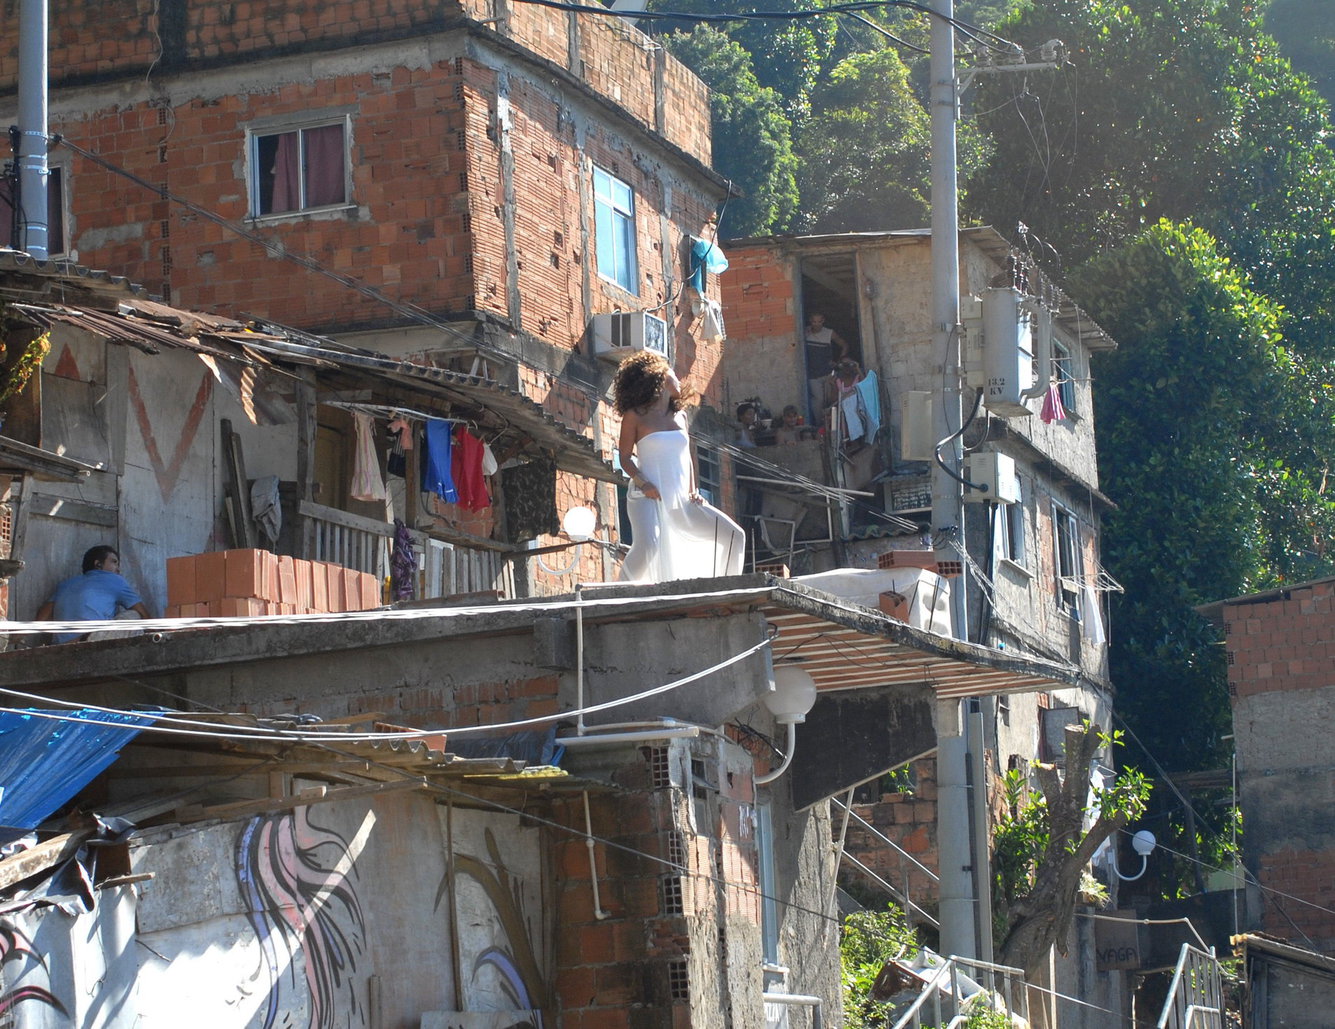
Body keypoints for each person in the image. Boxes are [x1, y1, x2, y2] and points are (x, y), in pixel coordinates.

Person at [613, 352, 745, 583]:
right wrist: (645, 484)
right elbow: (625, 458)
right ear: (660, 378)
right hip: (647, 497)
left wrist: (693, 490)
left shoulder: (681, 416)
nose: (679, 380)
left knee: (733, 535)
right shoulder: (635, 415)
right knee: (649, 547)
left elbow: (687, 457)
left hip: (680, 500)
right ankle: (614, 594)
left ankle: (727, 590)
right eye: (674, 375)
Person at [37, 545, 152, 643]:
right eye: (114, 562)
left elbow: (43, 616)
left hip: (61, 645)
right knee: (133, 616)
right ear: (98, 564)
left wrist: (20, 635)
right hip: (89, 640)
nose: (118, 569)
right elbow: (143, 614)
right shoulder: (115, 580)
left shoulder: (65, 584)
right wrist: (159, 636)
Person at [804, 312, 847, 422]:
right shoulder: (805, 332)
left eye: (819, 321)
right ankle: (820, 427)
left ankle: (832, 425)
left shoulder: (829, 333)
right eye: (814, 321)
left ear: (823, 321)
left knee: (830, 400)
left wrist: (838, 362)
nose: (817, 324)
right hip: (813, 375)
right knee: (818, 401)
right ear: (810, 321)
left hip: (828, 373)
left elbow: (844, 345)